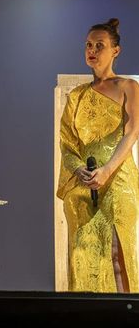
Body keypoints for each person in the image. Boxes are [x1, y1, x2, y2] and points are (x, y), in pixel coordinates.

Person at [57, 18, 139, 292]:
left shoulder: (128, 87)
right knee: (83, 256)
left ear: (115, 50)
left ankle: (125, 310)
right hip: (85, 185)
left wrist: (107, 170)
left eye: (99, 45)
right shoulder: (76, 96)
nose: (92, 50)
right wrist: (79, 169)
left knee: (116, 253)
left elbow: (132, 132)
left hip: (118, 178)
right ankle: (85, 311)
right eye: (88, 45)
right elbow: (68, 144)